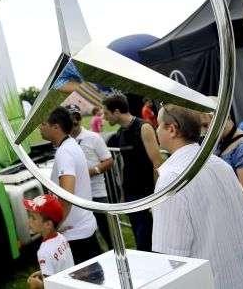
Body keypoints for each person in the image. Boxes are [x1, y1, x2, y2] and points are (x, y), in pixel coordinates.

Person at [152, 104, 243, 289]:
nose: (156, 130)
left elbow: (171, 256)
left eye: (158, 125)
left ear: (172, 129)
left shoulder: (172, 178)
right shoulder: (220, 164)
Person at [201, 110, 243, 287]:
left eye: (207, 125)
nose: (205, 132)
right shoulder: (219, 145)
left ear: (223, 118)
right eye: (202, 127)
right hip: (238, 225)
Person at [39, 107, 101, 263]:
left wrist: (55, 226)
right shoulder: (70, 145)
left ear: (56, 127)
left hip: (77, 236)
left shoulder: (65, 152)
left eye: (43, 123)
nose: (40, 127)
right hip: (82, 230)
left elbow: (67, 195)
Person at [102, 93, 162, 251]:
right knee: (139, 239)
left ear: (116, 112)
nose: (104, 118)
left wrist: (157, 196)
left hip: (146, 194)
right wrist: (123, 193)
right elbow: (125, 164)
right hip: (131, 195)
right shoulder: (121, 132)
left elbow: (157, 163)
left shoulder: (143, 127)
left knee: (148, 242)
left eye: (106, 113)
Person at [66, 104, 114, 249]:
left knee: (108, 231)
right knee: (88, 235)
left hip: (97, 194)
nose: (75, 121)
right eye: (70, 118)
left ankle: (115, 253)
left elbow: (109, 161)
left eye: (76, 116)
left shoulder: (93, 137)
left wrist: (92, 171)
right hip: (78, 197)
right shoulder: (64, 142)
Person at [23, 193, 74, 288]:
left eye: (33, 218)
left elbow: (50, 286)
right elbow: (61, 264)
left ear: (48, 225)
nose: (29, 221)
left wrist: (37, 285)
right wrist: (43, 271)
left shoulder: (43, 252)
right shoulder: (61, 237)